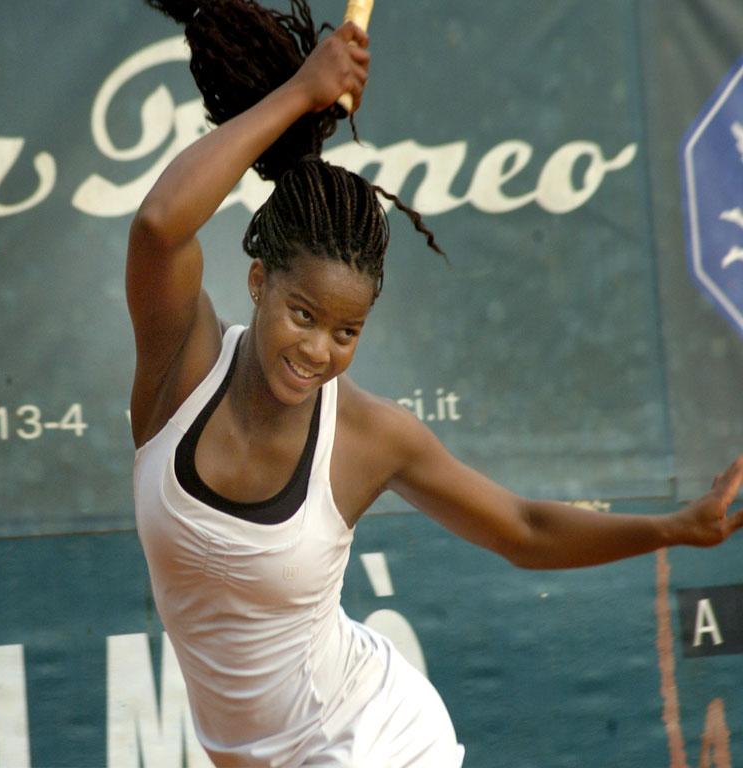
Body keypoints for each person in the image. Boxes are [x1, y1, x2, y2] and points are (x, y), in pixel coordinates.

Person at [126, 1, 743, 765]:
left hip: (371, 738)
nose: (317, 350)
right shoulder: (181, 376)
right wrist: (299, 92)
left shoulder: (367, 437)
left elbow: (522, 530)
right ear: (258, 282)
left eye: (346, 332)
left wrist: (672, 529)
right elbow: (159, 225)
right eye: (303, 315)